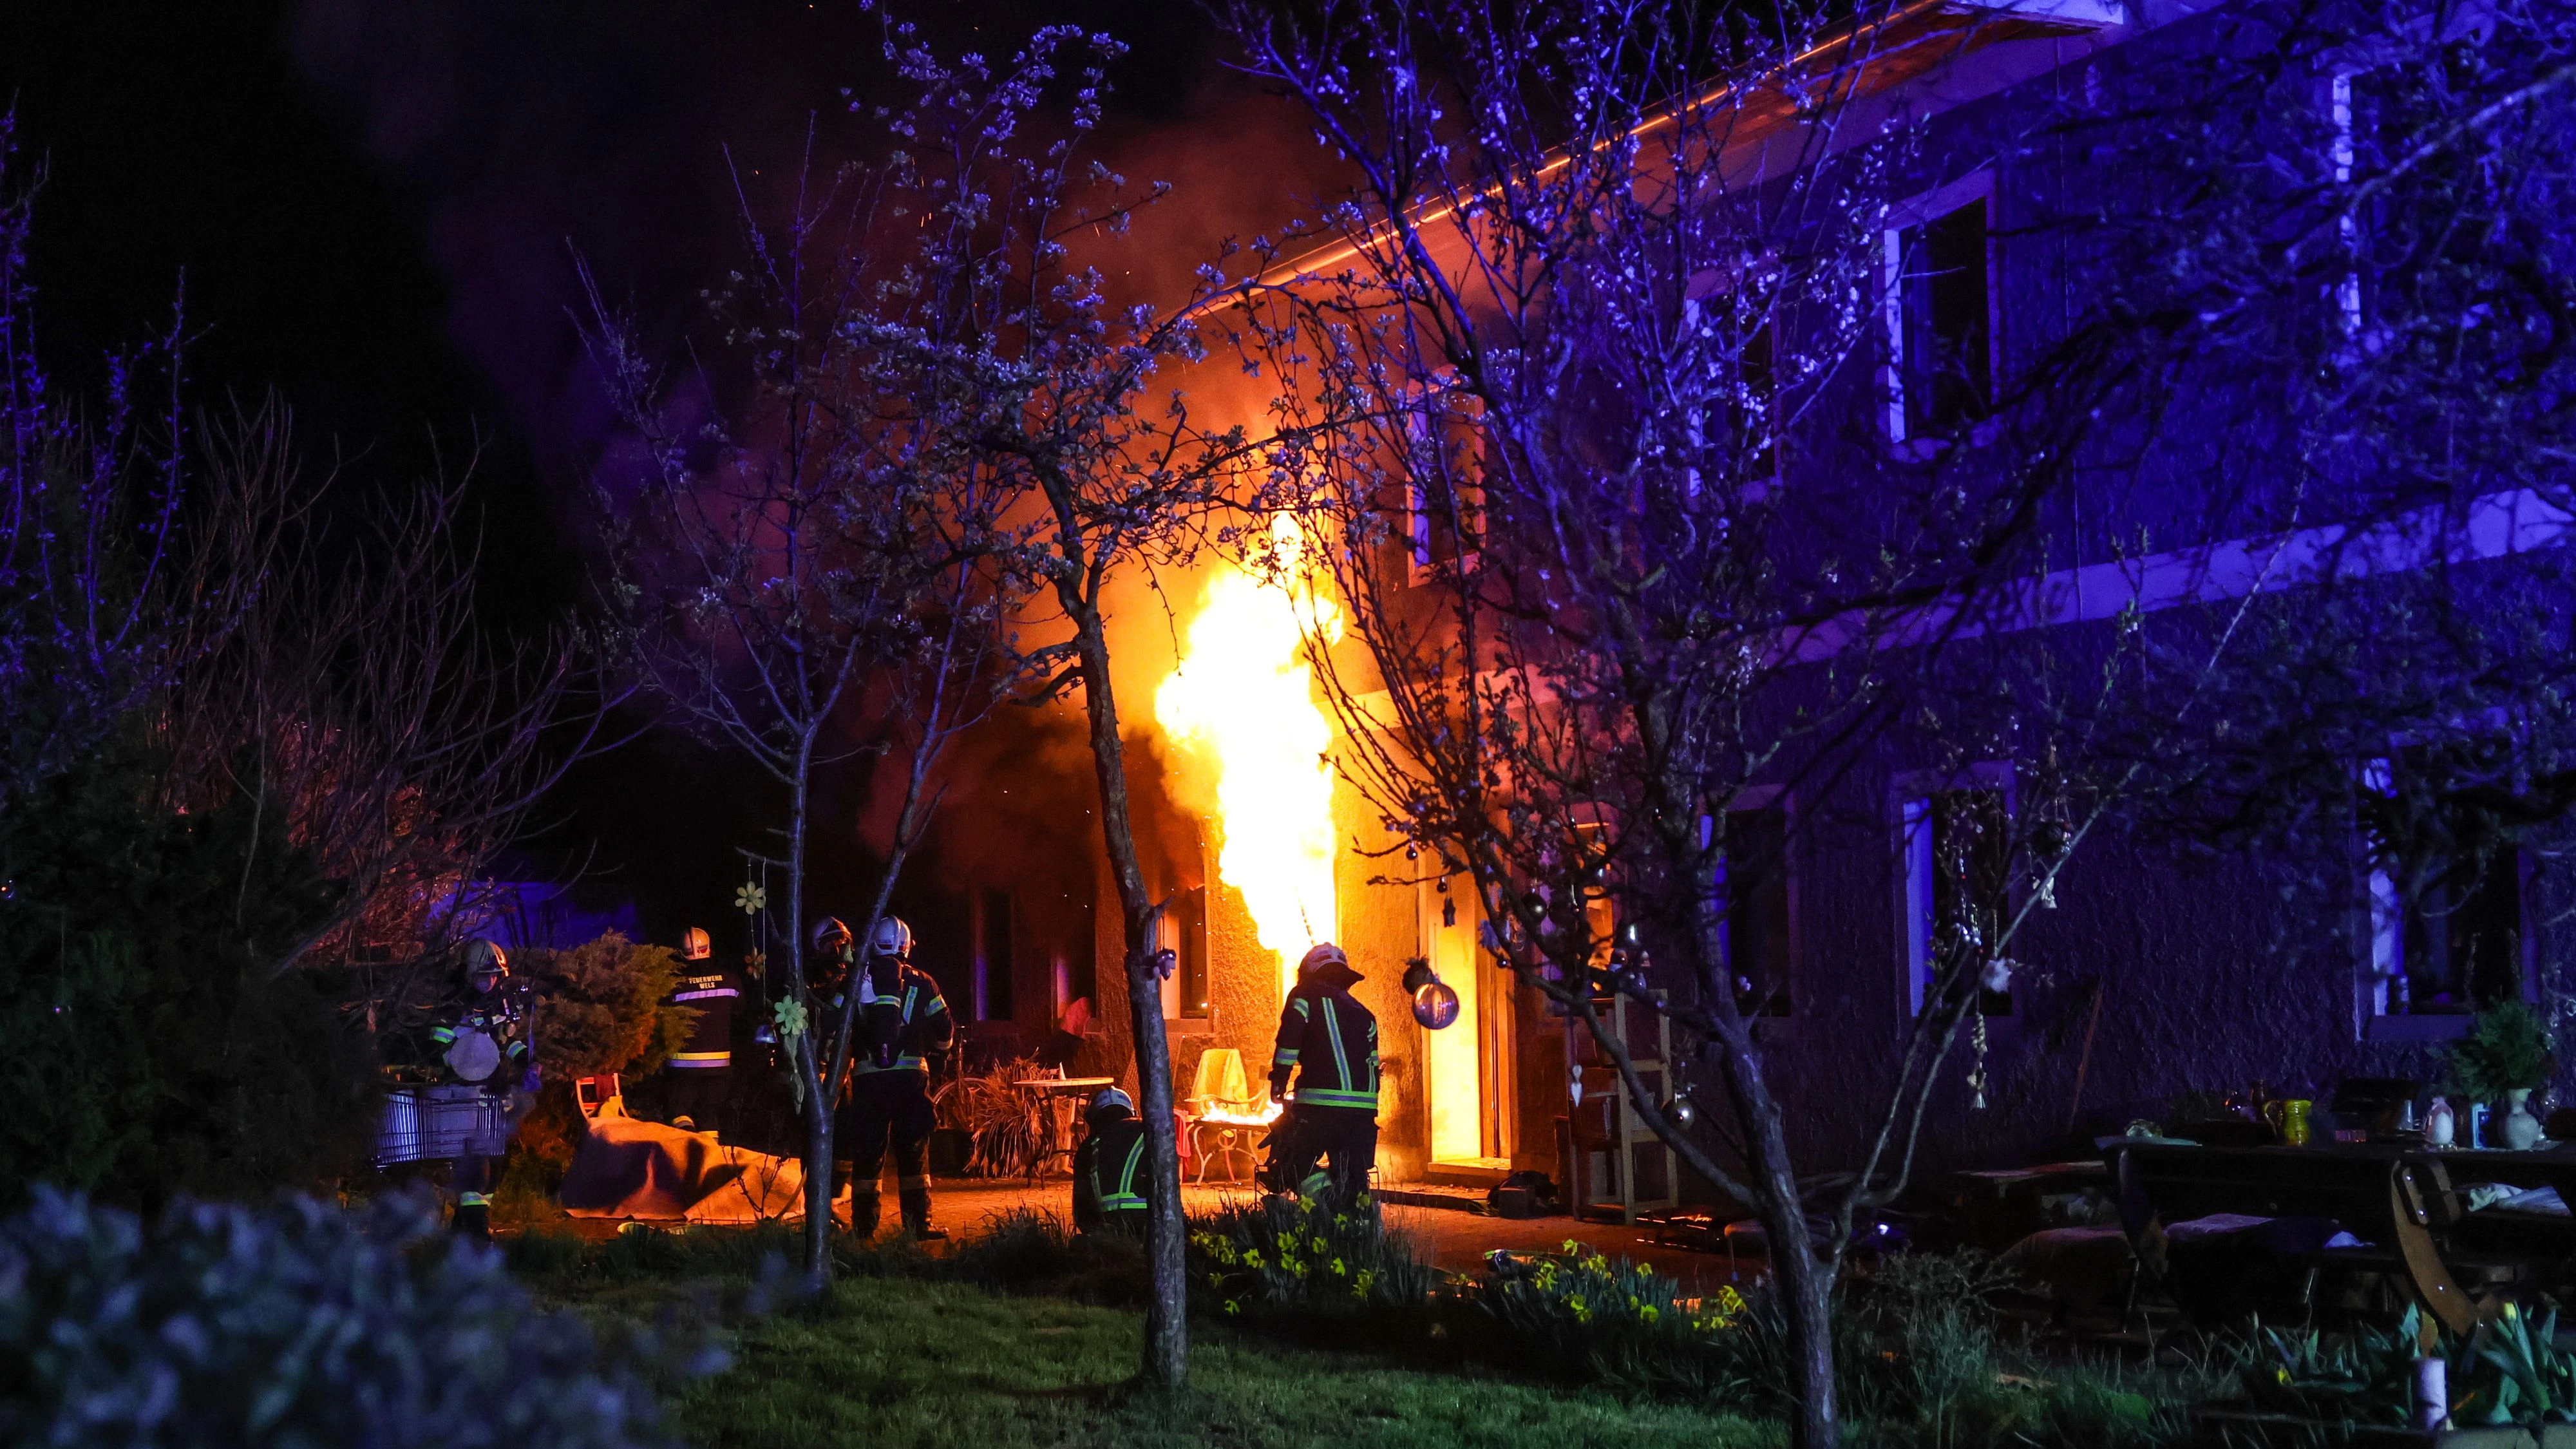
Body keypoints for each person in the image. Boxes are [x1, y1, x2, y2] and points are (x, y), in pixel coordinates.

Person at [819, 915, 954, 1239]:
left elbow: (832, 1021)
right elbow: (945, 1030)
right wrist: (939, 1058)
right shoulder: (924, 982)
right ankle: (918, 1225)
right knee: (914, 1150)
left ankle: (864, 1228)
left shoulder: (855, 980)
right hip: (911, 1080)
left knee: (869, 1152)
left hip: (868, 1079)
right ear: (906, 946)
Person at [428, 938, 536, 1240]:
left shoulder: (499, 1003)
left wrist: (528, 1060)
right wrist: (449, 1058)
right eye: (483, 975)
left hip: (495, 1094)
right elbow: (437, 1041)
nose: (489, 982)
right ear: (468, 973)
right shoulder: (453, 1004)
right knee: (476, 1168)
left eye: (494, 976)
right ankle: (478, 1238)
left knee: (495, 1169)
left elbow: (505, 1043)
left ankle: (462, 1231)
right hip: (462, 1096)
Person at [1264, 941, 1380, 1211]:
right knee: (1353, 1173)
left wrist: (1279, 1081)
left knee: (1294, 1163)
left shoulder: (1303, 995)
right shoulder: (1366, 1015)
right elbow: (1374, 1066)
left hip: (1319, 1107)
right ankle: (1358, 1224)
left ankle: (1326, 1205)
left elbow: (1289, 1044)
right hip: (1363, 1112)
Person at [661, 925, 739, 1137]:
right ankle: (709, 1163)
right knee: (709, 1117)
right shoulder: (731, 981)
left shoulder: (673, 986)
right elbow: (742, 1013)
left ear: (682, 953)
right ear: (709, 949)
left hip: (681, 1068)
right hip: (719, 1068)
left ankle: (686, 1154)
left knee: (678, 1113)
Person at [1071, 1086, 1153, 1237]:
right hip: (1152, 1223)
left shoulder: (1088, 1148)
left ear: (1093, 1120)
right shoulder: (1149, 1134)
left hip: (1109, 1227)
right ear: (1132, 1113)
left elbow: (1081, 1213)